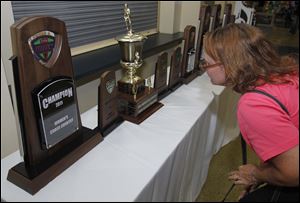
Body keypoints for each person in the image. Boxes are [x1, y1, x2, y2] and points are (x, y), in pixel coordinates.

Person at [202, 23, 299, 202]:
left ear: (228, 65)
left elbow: (294, 172)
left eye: (207, 63)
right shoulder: (283, 74)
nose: (205, 69)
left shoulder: (254, 104)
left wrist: (257, 174)